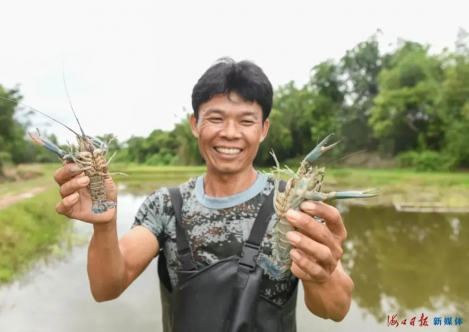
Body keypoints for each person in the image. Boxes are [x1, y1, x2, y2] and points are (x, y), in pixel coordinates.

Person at [52, 57, 354, 331]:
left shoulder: (297, 205)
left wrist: (323, 274)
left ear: (263, 129)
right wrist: (104, 224)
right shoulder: (165, 206)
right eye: (216, 118)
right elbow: (107, 288)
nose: (230, 133)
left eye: (246, 121)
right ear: (195, 124)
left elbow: (335, 310)